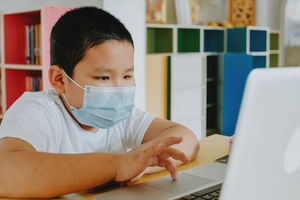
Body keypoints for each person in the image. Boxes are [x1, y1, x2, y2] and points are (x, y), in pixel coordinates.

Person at [0, 7, 199, 198]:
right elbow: (5, 172)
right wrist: (117, 167)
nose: (119, 89)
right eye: (104, 78)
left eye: (127, 76)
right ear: (60, 79)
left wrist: (141, 164)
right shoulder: (37, 111)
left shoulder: (122, 116)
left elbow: (186, 139)